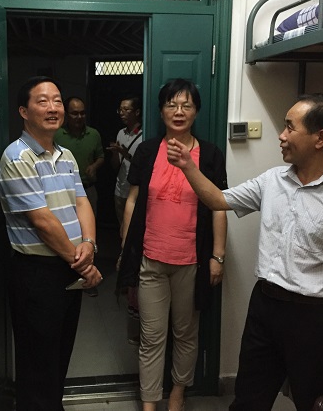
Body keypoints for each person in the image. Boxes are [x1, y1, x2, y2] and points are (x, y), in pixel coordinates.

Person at [167, 93, 323, 411]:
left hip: (318, 319)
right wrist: (186, 165)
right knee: (248, 400)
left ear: (320, 138)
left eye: (290, 127)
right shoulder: (272, 181)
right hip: (265, 307)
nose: (281, 135)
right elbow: (218, 199)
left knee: (313, 401)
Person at [117, 78, 227, 411]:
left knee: (185, 333)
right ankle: (150, 401)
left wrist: (218, 256)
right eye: (171, 104)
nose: (178, 111)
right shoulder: (148, 150)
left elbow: (219, 206)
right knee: (151, 337)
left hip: (191, 262)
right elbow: (132, 200)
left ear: (196, 112)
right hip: (150, 259)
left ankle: (178, 392)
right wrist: (125, 249)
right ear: (161, 110)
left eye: (186, 105)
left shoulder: (210, 154)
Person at [0, 76, 103, 411]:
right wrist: (84, 264)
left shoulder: (66, 155)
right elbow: (42, 222)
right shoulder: (18, 157)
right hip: (38, 272)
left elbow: (82, 202)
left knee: (59, 355)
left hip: (68, 266)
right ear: (23, 111)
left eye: (57, 100)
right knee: (37, 363)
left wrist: (89, 243)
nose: (53, 107)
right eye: (42, 101)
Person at [107, 93, 143, 344]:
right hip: (120, 190)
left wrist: (125, 153)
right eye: (120, 109)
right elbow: (115, 166)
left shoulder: (144, 135)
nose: (121, 113)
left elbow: (140, 165)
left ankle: (131, 281)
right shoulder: (121, 133)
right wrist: (116, 154)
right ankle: (125, 281)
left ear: (137, 112)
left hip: (136, 192)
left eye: (126, 109)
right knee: (122, 232)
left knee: (132, 238)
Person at [54, 96, 105, 216]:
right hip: (64, 190)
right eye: (75, 113)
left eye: (82, 113)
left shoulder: (93, 134)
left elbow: (101, 157)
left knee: (89, 223)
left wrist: (94, 166)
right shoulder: (56, 135)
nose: (79, 117)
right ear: (66, 114)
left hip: (88, 189)